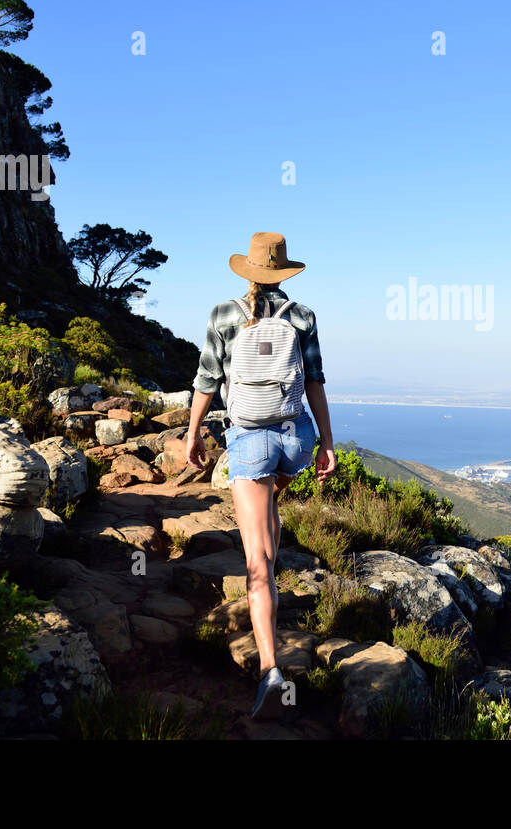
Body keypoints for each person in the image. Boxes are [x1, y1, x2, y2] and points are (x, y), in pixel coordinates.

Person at [184, 231, 336, 718]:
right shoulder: (303, 316)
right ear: (284, 271)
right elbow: (314, 381)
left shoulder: (223, 315)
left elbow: (207, 380)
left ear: (245, 270)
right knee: (271, 503)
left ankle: (270, 670)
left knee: (256, 562)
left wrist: (192, 434)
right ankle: (272, 543)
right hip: (295, 438)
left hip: (249, 438)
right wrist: (326, 443)